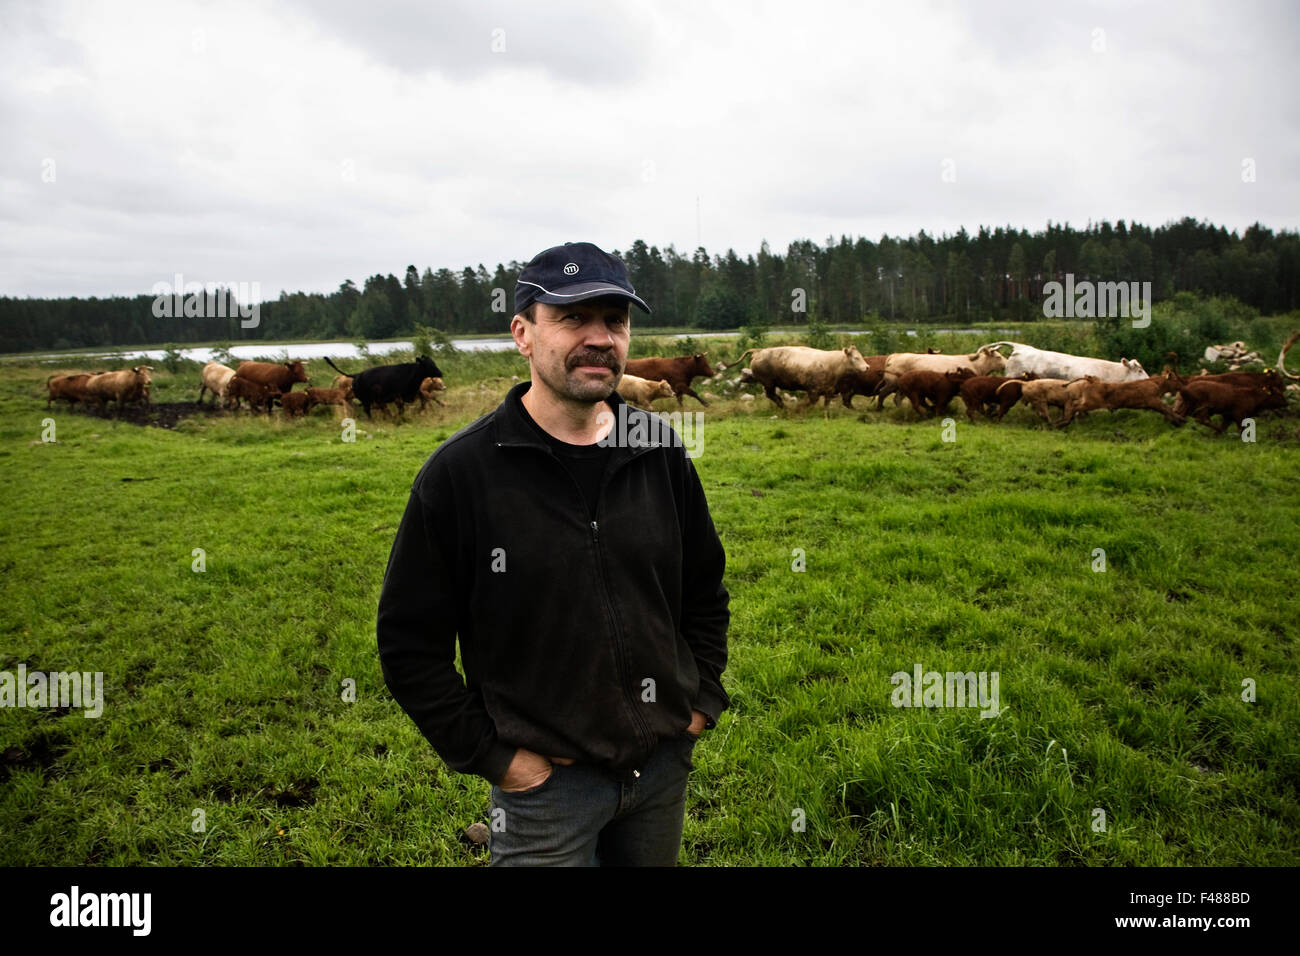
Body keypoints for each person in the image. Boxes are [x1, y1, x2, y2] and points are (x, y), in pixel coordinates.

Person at [376, 240, 730, 866]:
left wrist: (698, 703)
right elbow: (409, 645)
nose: (600, 338)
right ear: (522, 333)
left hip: (661, 770)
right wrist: (497, 760)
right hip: (545, 794)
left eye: (615, 320)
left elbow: (704, 590)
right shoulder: (462, 475)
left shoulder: (659, 450)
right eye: (573, 317)